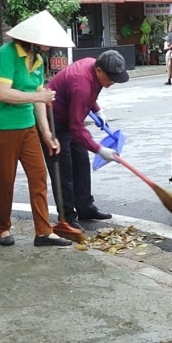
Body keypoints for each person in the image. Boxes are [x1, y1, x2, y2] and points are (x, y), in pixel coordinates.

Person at [0, 11, 73, 248]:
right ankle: (2, 228)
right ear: (32, 39)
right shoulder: (6, 54)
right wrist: (37, 95)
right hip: (0, 126)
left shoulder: (38, 60)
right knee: (4, 180)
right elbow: (2, 93)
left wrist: (46, 132)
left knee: (39, 176)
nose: (48, 46)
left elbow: (38, 100)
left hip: (27, 126)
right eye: (45, 40)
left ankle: (43, 232)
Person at [46, 50, 128, 227]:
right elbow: (75, 127)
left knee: (81, 162)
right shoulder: (81, 84)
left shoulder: (94, 66)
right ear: (99, 70)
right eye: (111, 78)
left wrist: (97, 110)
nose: (113, 82)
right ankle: (66, 217)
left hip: (70, 116)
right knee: (63, 170)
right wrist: (99, 149)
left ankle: (85, 207)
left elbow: (91, 94)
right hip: (53, 121)